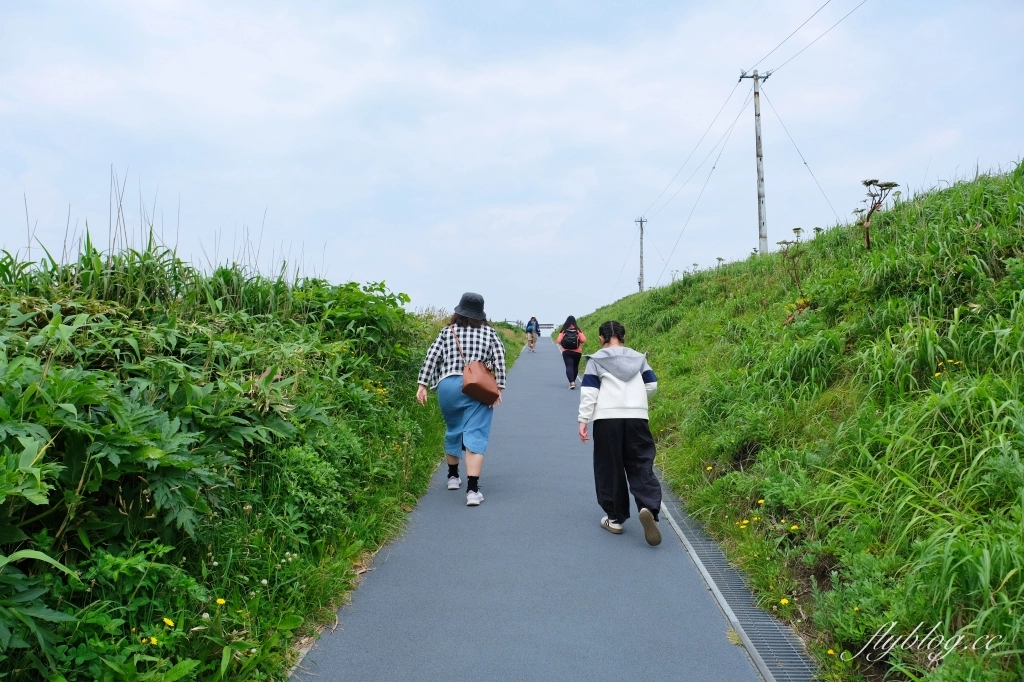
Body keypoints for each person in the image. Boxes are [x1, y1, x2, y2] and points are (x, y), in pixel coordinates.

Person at [576, 320, 662, 546]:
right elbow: (652, 385)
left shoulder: (596, 360)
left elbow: (589, 393)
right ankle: (648, 507)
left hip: (607, 419)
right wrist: (634, 398)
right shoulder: (638, 358)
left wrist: (583, 419)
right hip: (637, 417)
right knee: (641, 462)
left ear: (601, 338)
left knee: (609, 466)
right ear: (623, 337)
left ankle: (614, 519)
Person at [416, 292, 507, 506]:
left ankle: (453, 477)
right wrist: (499, 386)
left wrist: (423, 384)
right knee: (475, 433)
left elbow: (432, 356)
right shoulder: (490, 333)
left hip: (448, 385)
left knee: (453, 429)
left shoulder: (447, 332)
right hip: (476, 387)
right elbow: (500, 358)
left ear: (458, 311)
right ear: (481, 313)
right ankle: (473, 491)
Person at [556, 315, 586, 389]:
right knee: (575, 367)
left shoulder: (564, 330)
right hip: (577, 351)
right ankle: (573, 381)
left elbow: (558, 341)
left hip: (566, 351)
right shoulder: (577, 330)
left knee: (569, 366)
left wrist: (564, 343)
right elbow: (583, 340)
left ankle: (571, 382)